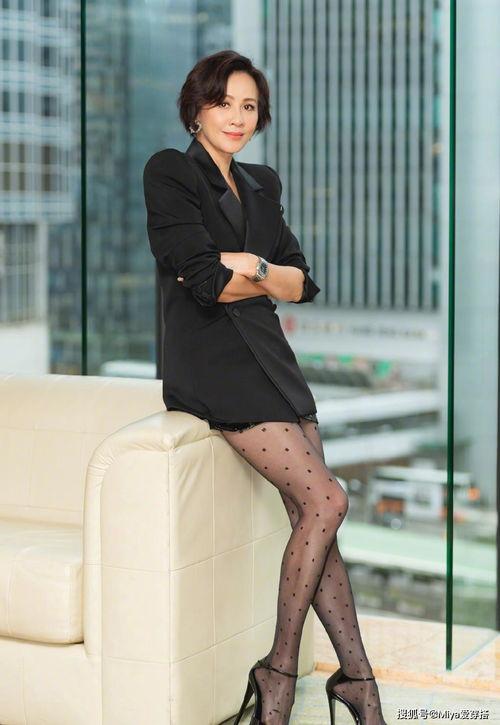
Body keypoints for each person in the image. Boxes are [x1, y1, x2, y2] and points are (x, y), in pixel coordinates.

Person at [143, 49, 387, 725]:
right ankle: (280, 671)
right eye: (224, 102)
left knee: (317, 517)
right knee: (328, 499)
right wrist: (254, 272)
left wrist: (245, 265)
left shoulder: (262, 183)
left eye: (249, 106)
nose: (237, 117)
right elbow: (202, 279)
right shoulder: (170, 171)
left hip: (273, 362)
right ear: (196, 108)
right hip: (212, 365)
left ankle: (358, 681)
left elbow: (301, 282)